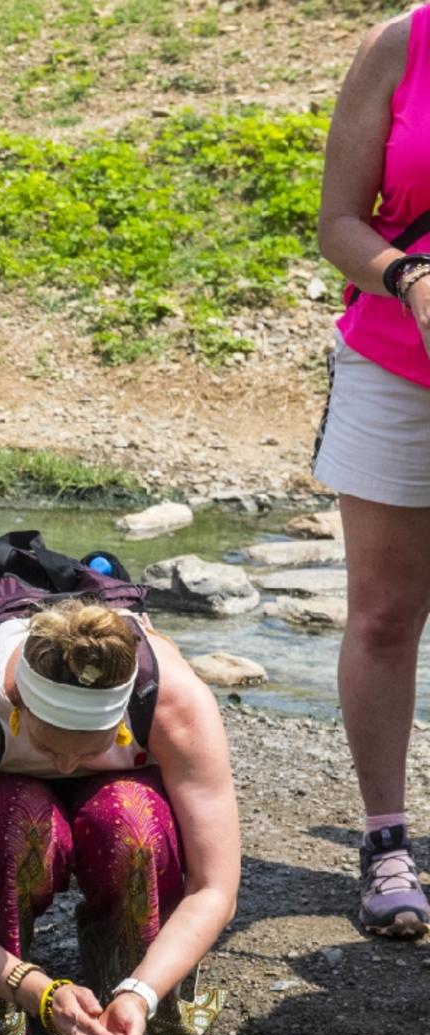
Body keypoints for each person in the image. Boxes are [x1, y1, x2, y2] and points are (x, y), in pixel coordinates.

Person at [0, 595, 237, 1035]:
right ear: (18, 706)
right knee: (16, 827)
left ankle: (135, 996)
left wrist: (141, 991)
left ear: (119, 723)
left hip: (121, 798)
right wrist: (35, 990)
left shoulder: (175, 703)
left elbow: (215, 888)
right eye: (50, 747)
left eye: (88, 750)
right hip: (13, 804)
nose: (65, 767)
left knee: (132, 826)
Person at [317, 6, 430, 937]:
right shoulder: (403, 43)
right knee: (386, 611)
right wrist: (410, 277)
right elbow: (338, 222)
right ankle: (385, 837)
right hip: (395, 365)